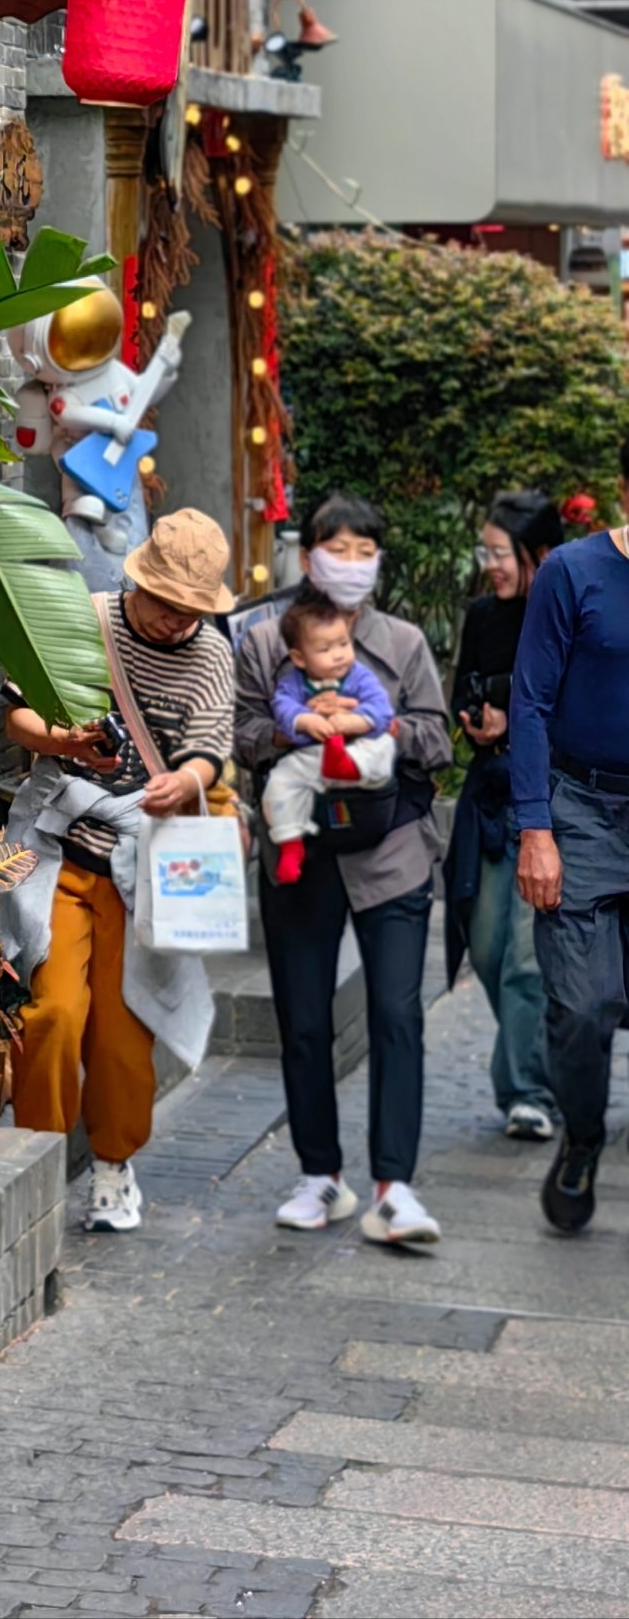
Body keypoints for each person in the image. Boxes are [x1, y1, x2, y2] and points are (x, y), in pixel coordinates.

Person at [0, 507, 236, 1235]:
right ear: (137, 580)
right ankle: (35, 1164)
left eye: (190, 608)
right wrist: (66, 740)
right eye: (164, 602)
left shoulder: (213, 655)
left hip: (148, 861)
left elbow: (210, 748)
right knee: (54, 1012)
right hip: (65, 847)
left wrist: (187, 780)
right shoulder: (87, 620)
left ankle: (112, 1165)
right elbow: (17, 717)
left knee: (125, 1029)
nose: (173, 619)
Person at [235, 493, 450, 1247]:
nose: (350, 563)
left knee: (397, 1013)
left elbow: (436, 735)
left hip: (391, 852)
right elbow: (242, 729)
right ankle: (319, 1174)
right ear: (308, 554)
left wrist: (375, 728)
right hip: (301, 852)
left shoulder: (404, 643)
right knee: (302, 1018)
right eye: (338, 548)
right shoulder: (266, 642)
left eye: (365, 550)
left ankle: (395, 1186)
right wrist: (297, 729)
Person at [508, 440, 629, 1232]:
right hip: (583, 805)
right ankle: (583, 1136)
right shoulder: (572, 573)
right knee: (584, 1006)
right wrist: (535, 828)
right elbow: (529, 702)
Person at [445, 490, 561, 1142]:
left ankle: (527, 1089)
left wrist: (513, 711)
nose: (491, 564)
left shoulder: (565, 610)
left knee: (525, 960)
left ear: (537, 553)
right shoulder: (482, 614)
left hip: (547, 802)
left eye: (500, 552)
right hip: (490, 796)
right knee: (485, 948)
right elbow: (466, 683)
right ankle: (532, 1067)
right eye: (484, 551)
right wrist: (477, 720)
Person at [262, 588, 396, 887]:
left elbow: (381, 709)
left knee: (383, 748)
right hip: (316, 757)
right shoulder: (293, 682)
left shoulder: (359, 676)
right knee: (281, 780)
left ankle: (346, 764)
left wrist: (353, 721)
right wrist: (305, 719)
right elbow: (282, 708)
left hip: (357, 752)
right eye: (324, 649)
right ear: (298, 657)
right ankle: (290, 842)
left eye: (343, 644)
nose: (338, 655)